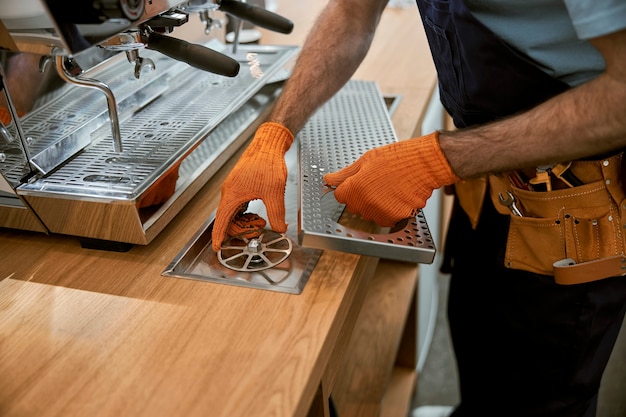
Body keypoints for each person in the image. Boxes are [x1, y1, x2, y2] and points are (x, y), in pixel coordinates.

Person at [212, 1, 626, 416]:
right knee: (477, 345)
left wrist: (438, 159)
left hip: (571, 223)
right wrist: (275, 131)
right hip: (487, 193)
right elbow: (352, 12)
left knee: (540, 396)